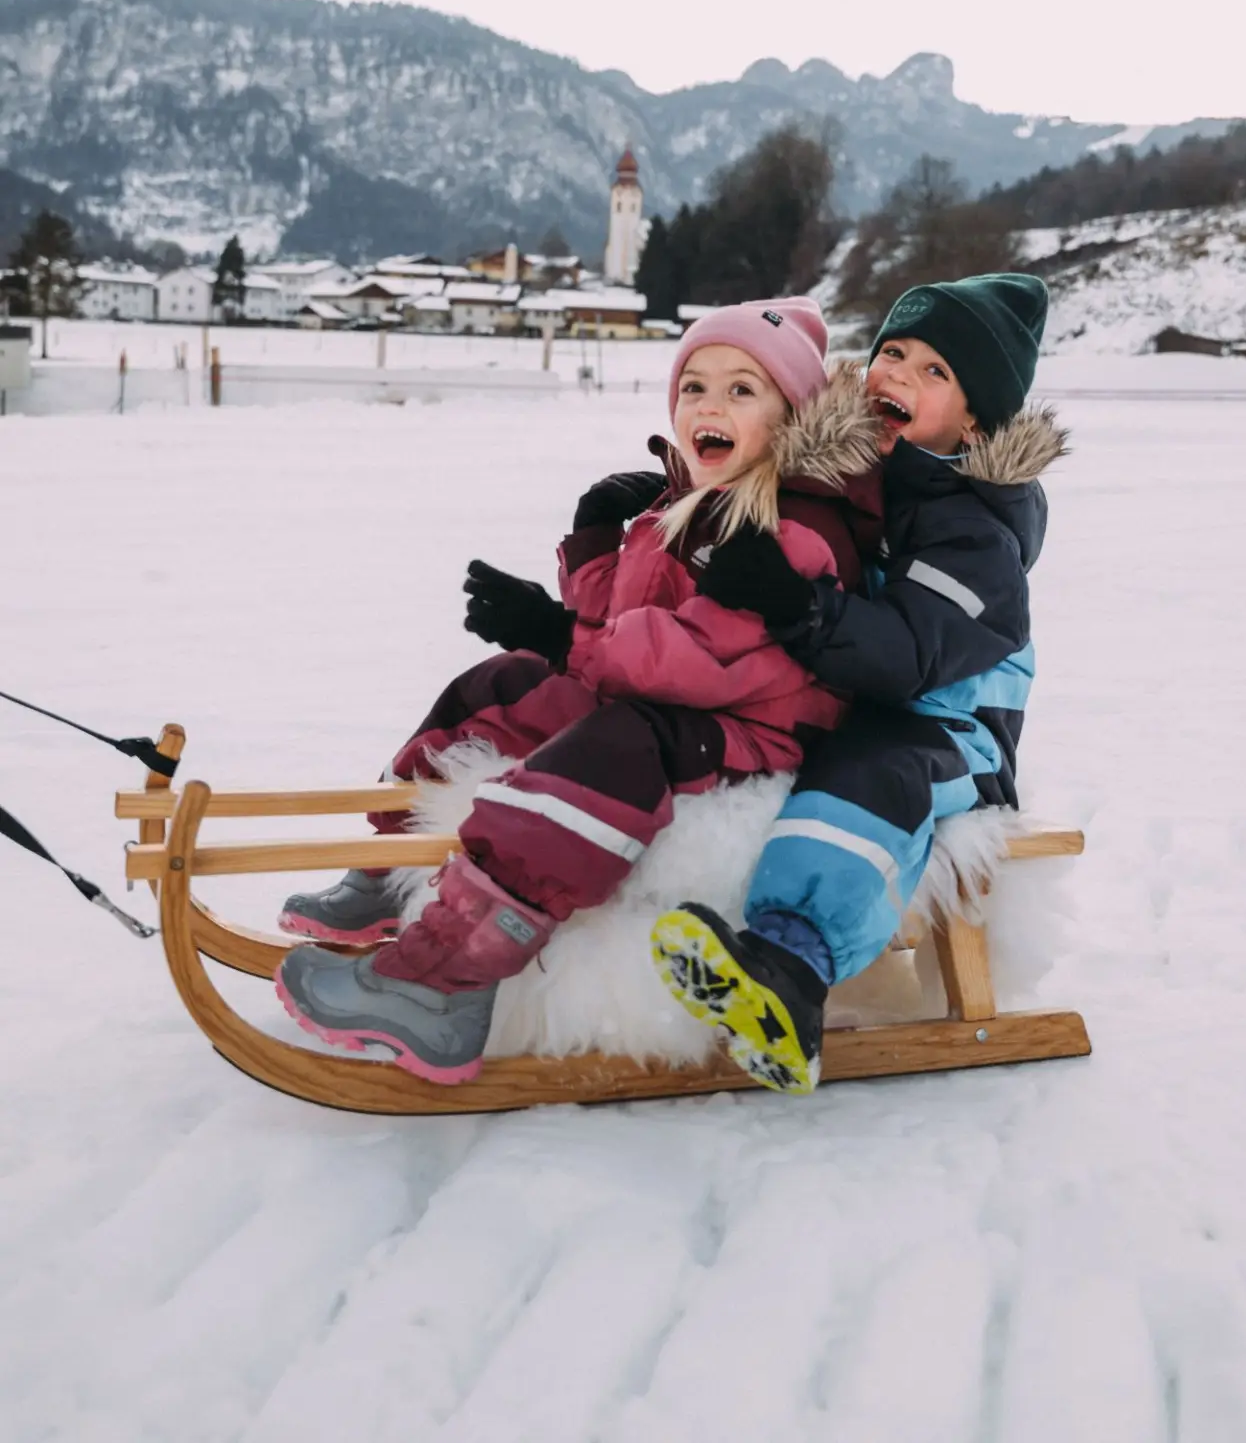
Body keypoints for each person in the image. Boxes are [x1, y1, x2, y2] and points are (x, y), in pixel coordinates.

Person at [274, 297, 881, 1084]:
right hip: (674, 703)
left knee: (613, 746)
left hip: (754, 733)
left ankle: (444, 982)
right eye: (694, 386)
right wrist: (591, 549)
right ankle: (387, 870)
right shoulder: (689, 504)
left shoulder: (792, 529)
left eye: (742, 389)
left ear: (791, 415)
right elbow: (623, 624)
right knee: (506, 685)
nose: (710, 405)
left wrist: (561, 634)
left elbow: (691, 658)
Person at [651, 272, 1068, 1096]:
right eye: (893, 352)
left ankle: (791, 970)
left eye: (934, 371)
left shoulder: (975, 532)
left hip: (953, 738)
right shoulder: (858, 478)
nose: (898, 376)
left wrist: (797, 605)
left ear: (976, 419)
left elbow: (910, 652)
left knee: (874, 768)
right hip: (857, 701)